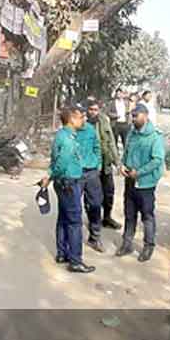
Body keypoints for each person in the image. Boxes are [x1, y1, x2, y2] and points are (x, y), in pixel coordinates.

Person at [41, 105, 95, 274]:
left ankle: (62, 253)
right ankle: (76, 260)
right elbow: (61, 163)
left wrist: (50, 175)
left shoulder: (62, 135)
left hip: (64, 182)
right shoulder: (68, 140)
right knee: (74, 222)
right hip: (69, 183)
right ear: (72, 119)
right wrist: (52, 175)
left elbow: (55, 161)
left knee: (64, 218)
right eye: (81, 117)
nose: (83, 120)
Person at [116, 103, 165, 262]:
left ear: (145, 115)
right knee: (129, 214)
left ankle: (148, 246)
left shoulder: (155, 136)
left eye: (136, 116)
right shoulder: (132, 133)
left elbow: (157, 160)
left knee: (147, 216)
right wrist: (122, 165)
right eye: (132, 115)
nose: (133, 118)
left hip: (145, 184)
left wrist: (140, 172)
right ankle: (127, 244)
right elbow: (127, 152)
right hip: (130, 180)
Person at [89, 99, 121, 230]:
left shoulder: (104, 121)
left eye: (96, 110)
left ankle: (107, 218)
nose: (93, 112)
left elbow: (111, 142)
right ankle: (94, 222)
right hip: (92, 164)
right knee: (93, 196)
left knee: (109, 192)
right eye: (91, 109)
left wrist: (117, 161)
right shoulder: (83, 123)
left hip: (106, 162)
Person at [77, 101, 104, 252]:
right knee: (75, 207)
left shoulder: (90, 130)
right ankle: (73, 239)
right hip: (76, 173)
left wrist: (98, 164)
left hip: (92, 172)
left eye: (83, 116)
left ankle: (95, 237)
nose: (82, 119)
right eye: (79, 116)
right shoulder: (70, 131)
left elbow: (97, 148)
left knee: (95, 204)